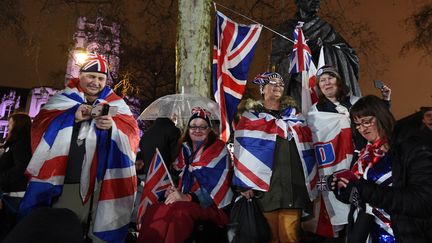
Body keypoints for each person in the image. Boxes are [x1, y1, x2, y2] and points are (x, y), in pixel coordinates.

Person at [19, 53, 140, 243]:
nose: (96, 82)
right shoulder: (62, 99)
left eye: (101, 78)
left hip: (103, 186)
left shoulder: (117, 103)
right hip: (67, 183)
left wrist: (112, 128)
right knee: (62, 232)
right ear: (80, 75)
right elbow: (40, 127)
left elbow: (132, 134)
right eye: (91, 76)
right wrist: (72, 118)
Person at [333, 95, 432, 242]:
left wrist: (365, 189)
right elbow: (358, 196)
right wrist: (342, 188)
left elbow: (422, 202)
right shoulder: (364, 153)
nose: (362, 129)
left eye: (366, 122)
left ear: (381, 117)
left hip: (403, 234)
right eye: (358, 124)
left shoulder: (413, 148)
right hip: (368, 233)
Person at [233, 72, 317, 243]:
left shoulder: (296, 117)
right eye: (272, 83)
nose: (278, 86)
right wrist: (244, 184)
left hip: (294, 188)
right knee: (268, 236)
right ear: (263, 89)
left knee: (291, 236)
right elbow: (241, 153)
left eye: (280, 83)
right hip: (265, 191)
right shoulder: (250, 119)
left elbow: (308, 150)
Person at [137, 107, 233, 243]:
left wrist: (187, 197)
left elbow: (217, 186)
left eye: (202, 127)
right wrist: (172, 189)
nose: (197, 130)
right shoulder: (185, 149)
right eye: (193, 126)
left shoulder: (218, 148)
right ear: (188, 129)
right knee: (156, 209)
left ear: (209, 129)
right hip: (185, 199)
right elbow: (176, 175)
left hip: (212, 206)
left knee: (178, 212)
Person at [271, 0, 360, 106]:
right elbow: (276, 61)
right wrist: (297, 55)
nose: (316, 2)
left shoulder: (325, 28)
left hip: (322, 87)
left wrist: (322, 49)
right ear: (298, 2)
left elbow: (349, 54)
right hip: (296, 87)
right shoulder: (286, 28)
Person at [0, 112, 32, 240]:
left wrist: (1, 177)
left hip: (15, 196)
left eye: (10, 124)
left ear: (18, 125)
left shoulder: (22, 143)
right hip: (10, 194)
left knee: (10, 231)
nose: (8, 127)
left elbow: (20, 168)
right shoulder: (14, 143)